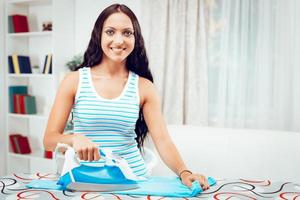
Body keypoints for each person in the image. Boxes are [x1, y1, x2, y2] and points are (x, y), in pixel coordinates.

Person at [43, 3, 209, 190]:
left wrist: (184, 172)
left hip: (133, 182)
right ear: (99, 35)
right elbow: (49, 140)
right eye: (111, 32)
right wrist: (74, 139)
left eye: (127, 33)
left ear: (135, 38)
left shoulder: (144, 87)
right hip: (84, 181)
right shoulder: (74, 81)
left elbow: (162, 139)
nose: (119, 40)